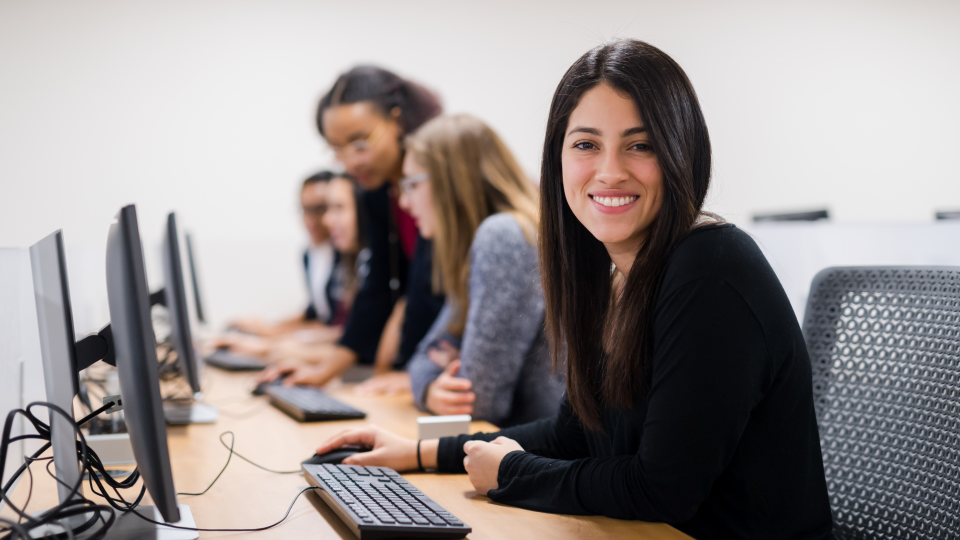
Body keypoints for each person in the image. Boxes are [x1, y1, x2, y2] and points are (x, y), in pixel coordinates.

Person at [314, 39, 833, 539]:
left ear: (683, 152)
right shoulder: (612, 275)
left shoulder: (710, 269)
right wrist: (421, 451)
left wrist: (515, 474)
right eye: (586, 144)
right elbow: (571, 435)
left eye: (641, 144)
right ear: (557, 159)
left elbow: (663, 489)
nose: (609, 172)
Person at [258, 66, 445, 388]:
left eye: (360, 143)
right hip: (419, 371)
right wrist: (324, 372)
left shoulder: (438, 186)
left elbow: (445, 298)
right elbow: (377, 289)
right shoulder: (377, 191)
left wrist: (413, 375)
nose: (349, 161)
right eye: (336, 148)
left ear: (397, 121)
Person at [399, 114, 563, 426]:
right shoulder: (496, 238)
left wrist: (438, 380)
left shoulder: (505, 237)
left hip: (550, 460)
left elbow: (479, 401)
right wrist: (431, 388)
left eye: (411, 184)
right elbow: (423, 357)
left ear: (451, 182)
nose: (405, 203)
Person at [215, 171, 352, 356]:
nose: (310, 219)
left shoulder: (348, 257)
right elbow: (314, 313)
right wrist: (266, 328)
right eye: (305, 209)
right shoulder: (309, 254)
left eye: (319, 209)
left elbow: (339, 327)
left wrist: (271, 340)